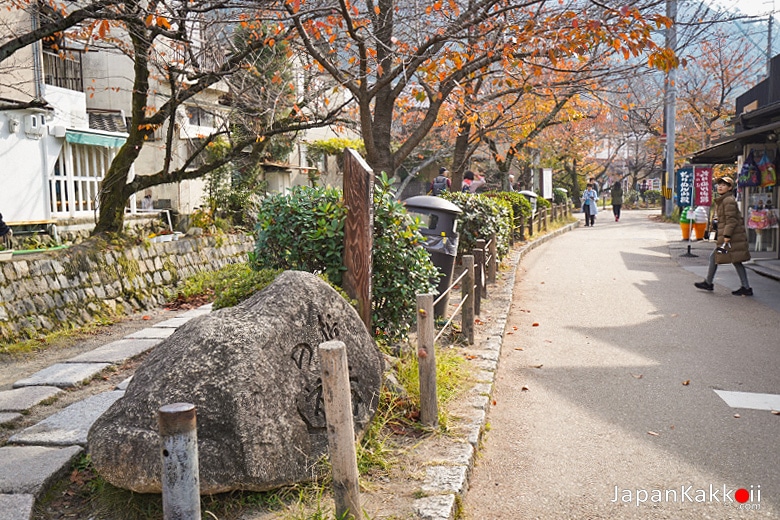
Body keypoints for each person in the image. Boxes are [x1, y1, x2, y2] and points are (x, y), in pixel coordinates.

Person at [694, 176, 753, 296]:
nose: (720, 186)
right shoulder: (723, 200)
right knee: (735, 261)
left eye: (724, 185)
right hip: (730, 237)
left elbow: (731, 220)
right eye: (719, 184)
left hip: (730, 237)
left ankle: (709, 283)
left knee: (717, 257)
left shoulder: (728, 200)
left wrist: (727, 235)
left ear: (730, 188)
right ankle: (745, 287)